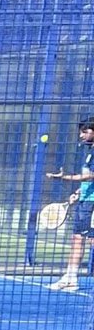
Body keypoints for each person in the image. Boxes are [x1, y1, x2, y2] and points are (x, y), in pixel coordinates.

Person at [47, 115, 94, 291]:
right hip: (85, 201)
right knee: (77, 238)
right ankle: (70, 278)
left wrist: (65, 177)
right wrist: (79, 192)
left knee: (91, 240)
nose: (81, 135)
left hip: (92, 204)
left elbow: (90, 176)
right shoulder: (89, 151)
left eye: (85, 131)